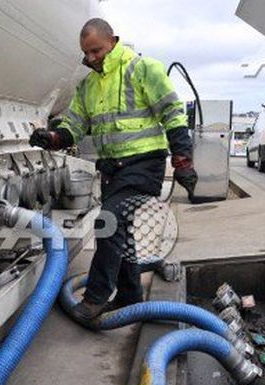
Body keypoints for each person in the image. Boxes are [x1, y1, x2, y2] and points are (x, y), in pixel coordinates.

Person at [30, 18, 197, 321]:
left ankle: (95, 296)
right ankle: (130, 295)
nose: (92, 58)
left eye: (97, 51)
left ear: (113, 41)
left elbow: (173, 112)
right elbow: (74, 128)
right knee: (122, 232)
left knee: (108, 221)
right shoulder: (87, 86)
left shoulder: (143, 69)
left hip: (144, 166)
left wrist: (183, 160)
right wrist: (52, 138)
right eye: (87, 54)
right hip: (112, 170)